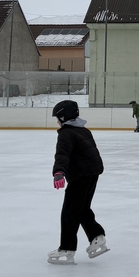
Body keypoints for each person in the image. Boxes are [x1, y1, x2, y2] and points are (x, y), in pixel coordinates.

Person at [48, 100, 108, 265]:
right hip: (92, 173)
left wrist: (59, 172)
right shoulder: (83, 130)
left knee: (69, 212)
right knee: (81, 209)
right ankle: (97, 237)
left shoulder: (66, 133)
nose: (57, 121)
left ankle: (67, 249)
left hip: (80, 176)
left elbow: (62, 154)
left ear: (63, 117)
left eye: (57, 118)